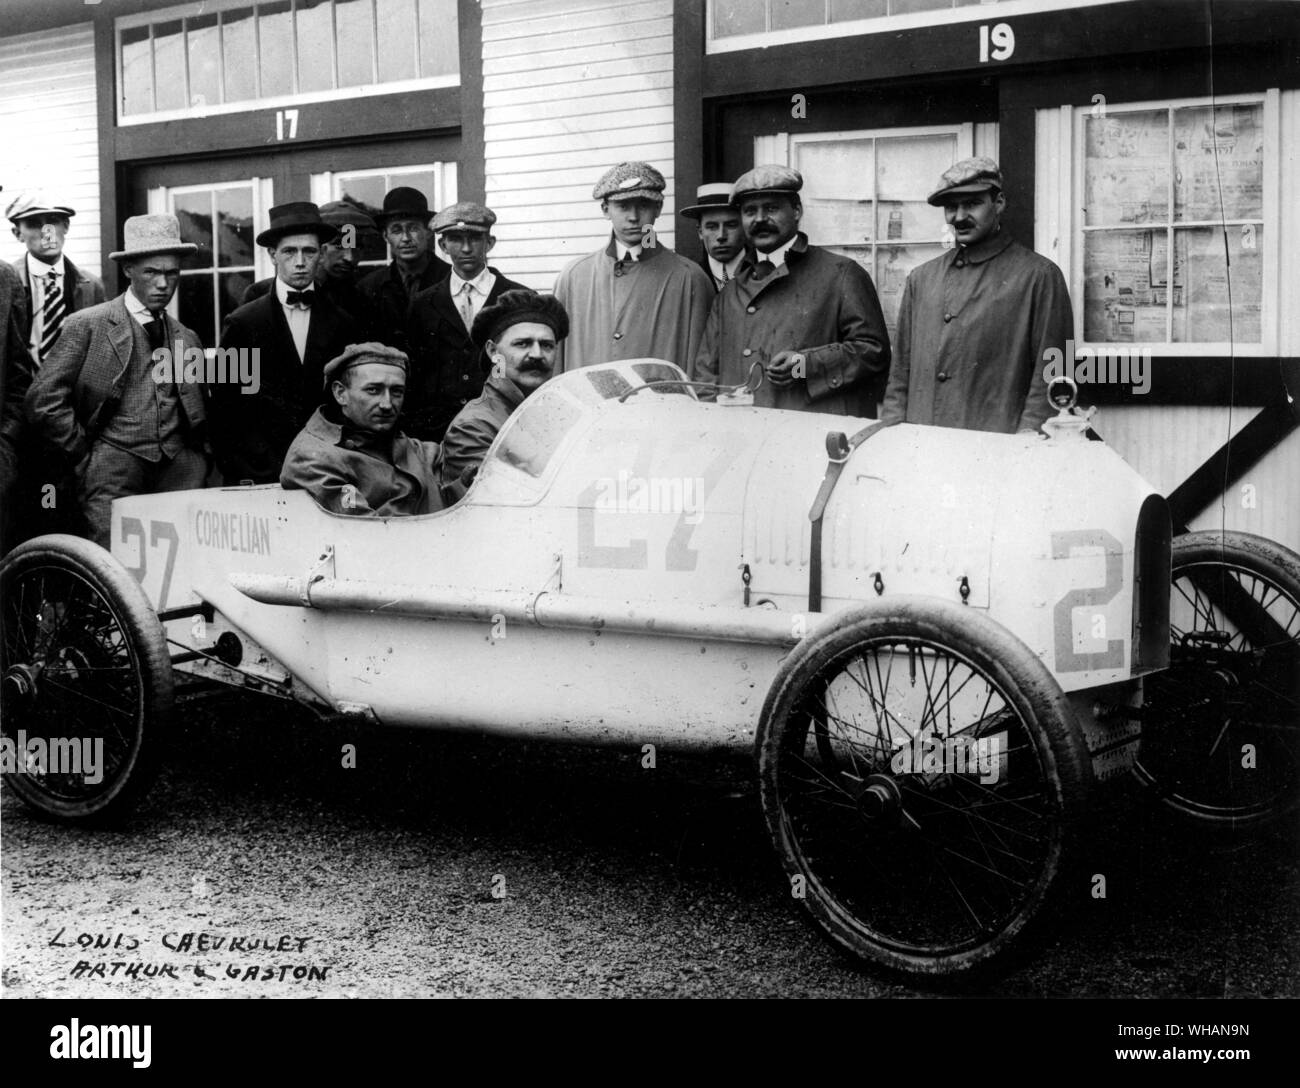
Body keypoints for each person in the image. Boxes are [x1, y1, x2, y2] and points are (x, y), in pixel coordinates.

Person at [24, 214, 209, 548]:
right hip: (112, 466)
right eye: (151, 272)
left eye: (171, 273)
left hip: (178, 472)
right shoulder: (88, 325)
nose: (163, 283)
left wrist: (197, 459)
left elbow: (197, 407)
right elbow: (42, 398)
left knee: (181, 563)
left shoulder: (187, 338)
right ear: (129, 271)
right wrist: (84, 453)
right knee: (113, 569)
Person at [880, 157, 1073, 435]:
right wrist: (892, 433)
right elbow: (899, 375)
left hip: (998, 452)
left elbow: (1053, 377)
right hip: (923, 449)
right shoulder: (921, 279)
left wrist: (1028, 442)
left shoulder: (1039, 276)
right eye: (950, 207)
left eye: (971, 204)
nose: (958, 217)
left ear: (999, 203)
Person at [695, 165, 890, 416]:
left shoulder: (841, 273)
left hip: (810, 434)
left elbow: (873, 353)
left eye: (772, 208)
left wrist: (803, 365)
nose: (760, 219)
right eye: (750, 211)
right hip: (743, 437)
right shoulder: (730, 291)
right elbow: (706, 374)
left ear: (797, 211)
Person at [214, 202, 359, 484]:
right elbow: (225, 406)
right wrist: (247, 467)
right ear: (272, 255)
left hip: (327, 466)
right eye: (290, 251)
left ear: (321, 254)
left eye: (309, 251)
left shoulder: (343, 323)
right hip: (260, 469)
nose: (300, 261)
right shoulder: (244, 323)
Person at [553, 161, 713, 375]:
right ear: (605, 209)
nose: (634, 217)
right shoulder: (573, 277)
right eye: (623, 206)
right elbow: (556, 365)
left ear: (658, 208)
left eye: (643, 205)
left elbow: (702, 369)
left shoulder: (690, 278)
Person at [280, 342, 453, 517]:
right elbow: (366, 533)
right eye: (373, 390)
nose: (387, 404)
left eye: (396, 392)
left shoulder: (417, 449)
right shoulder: (312, 459)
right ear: (340, 393)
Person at [404, 202, 527, 441]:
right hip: (439, 431)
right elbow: (416, 375)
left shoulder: (517, 299)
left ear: (489, 243)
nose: (467, 248)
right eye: (456, 239)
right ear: (442, 245)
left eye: (475, 239)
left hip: (501, 426)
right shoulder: (422, 304)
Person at [440, 289, 567, 487]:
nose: (536, 354)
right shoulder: (474, 426)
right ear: (493, 351)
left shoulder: (563, 413)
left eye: (547, 345)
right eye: (522, 344)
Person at [7, 191, 105, 367]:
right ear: (17, 234)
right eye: (34, 224)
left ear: (66, 226)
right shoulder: (5, 283)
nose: (47, 233)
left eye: (53, 221)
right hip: (21, 389)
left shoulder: (91, 285)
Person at [239, 200, 375, 324]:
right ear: (321, 248)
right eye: (339, 245)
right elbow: (241, 350)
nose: (349, 257)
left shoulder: (364, 298)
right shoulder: (258, 293)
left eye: (358, 246)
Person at [356, 187, 448, 349]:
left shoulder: (452, 279)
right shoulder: (369, 287)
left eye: (413, 228)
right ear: (386, 236)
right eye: (396, 230)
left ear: (428, 232)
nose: (406, 238)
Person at [679, 183, 752, 292]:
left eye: (731, 225)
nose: (721, 236)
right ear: (700, 231)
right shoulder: (687, 278)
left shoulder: (764, 272)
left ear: (745, 227)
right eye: (712, 227)